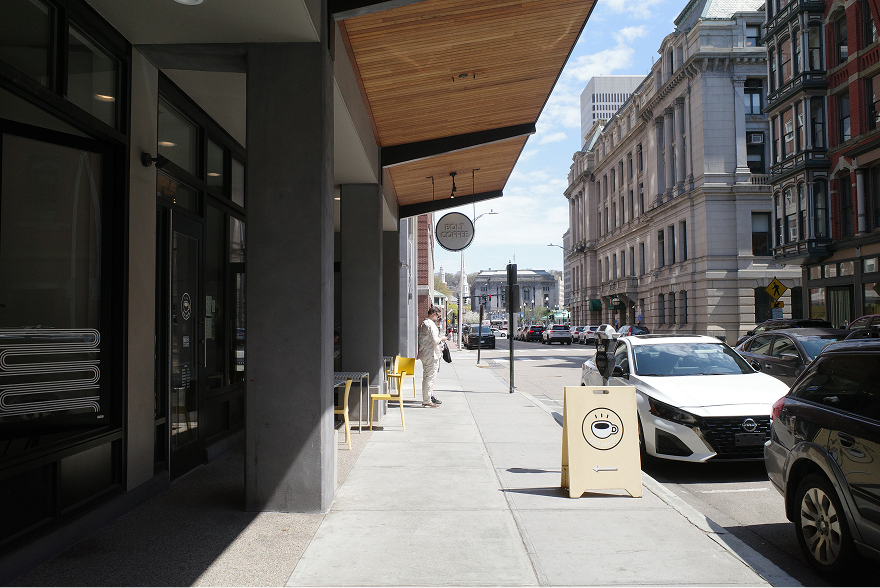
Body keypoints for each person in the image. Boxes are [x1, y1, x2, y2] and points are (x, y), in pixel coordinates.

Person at [418, 305, 447, 407]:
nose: (438, 318)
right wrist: (442, 338)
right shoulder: (430, 324)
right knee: (429, 378)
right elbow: (435, 340)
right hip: (431, 355)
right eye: (438, 316)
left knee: (426, 377)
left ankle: (427, 399)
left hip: (425, 353)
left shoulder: (424, 323)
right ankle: (427, 400)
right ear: (434, 314)